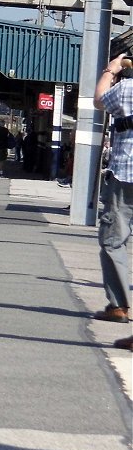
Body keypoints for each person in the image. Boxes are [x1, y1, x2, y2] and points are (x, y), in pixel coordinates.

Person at [95, 53, 133, 350]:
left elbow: (98, 100)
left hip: (125, 179)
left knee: (113, 241)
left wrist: (111, 69)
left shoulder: (125, 90)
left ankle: (119, 307)